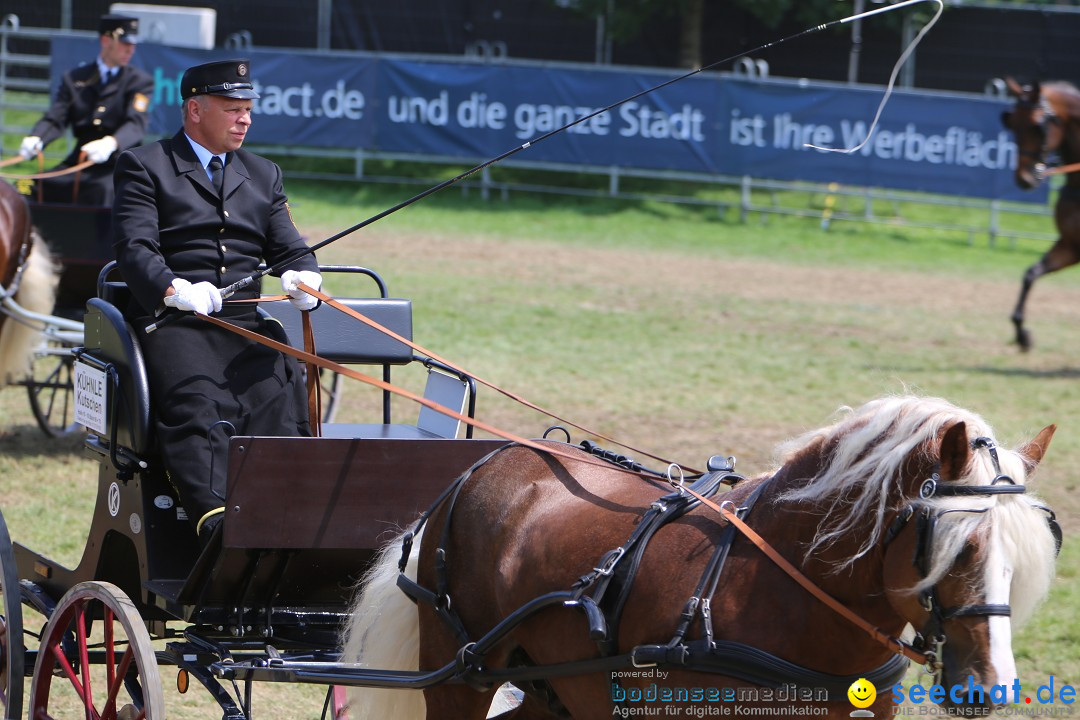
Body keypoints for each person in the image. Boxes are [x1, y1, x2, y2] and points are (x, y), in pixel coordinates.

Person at [112, 58, 323, 545]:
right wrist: (176, 290)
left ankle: (288, 518)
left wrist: (303, 277)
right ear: (194, 109)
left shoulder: (263, 173)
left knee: (278, 398)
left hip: (245, 326)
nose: (245, 119)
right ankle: (218, 525)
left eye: (248, 109)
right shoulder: (146, 166)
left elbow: (291, 247)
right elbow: (134, 248)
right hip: (175, 326)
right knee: (199, 405)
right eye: (232, 109)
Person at [18, 14, 154, 205]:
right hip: (80, 161)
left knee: (103, 192)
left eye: (133, 44)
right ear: (106, 40)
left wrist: (112, 143)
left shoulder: (139, 82)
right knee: (25, 186)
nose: (131, 49)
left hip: (117, 164)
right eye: (124, 43)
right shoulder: (75, 78)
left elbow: (136, 123)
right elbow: (57, 117)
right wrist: (37, 138)